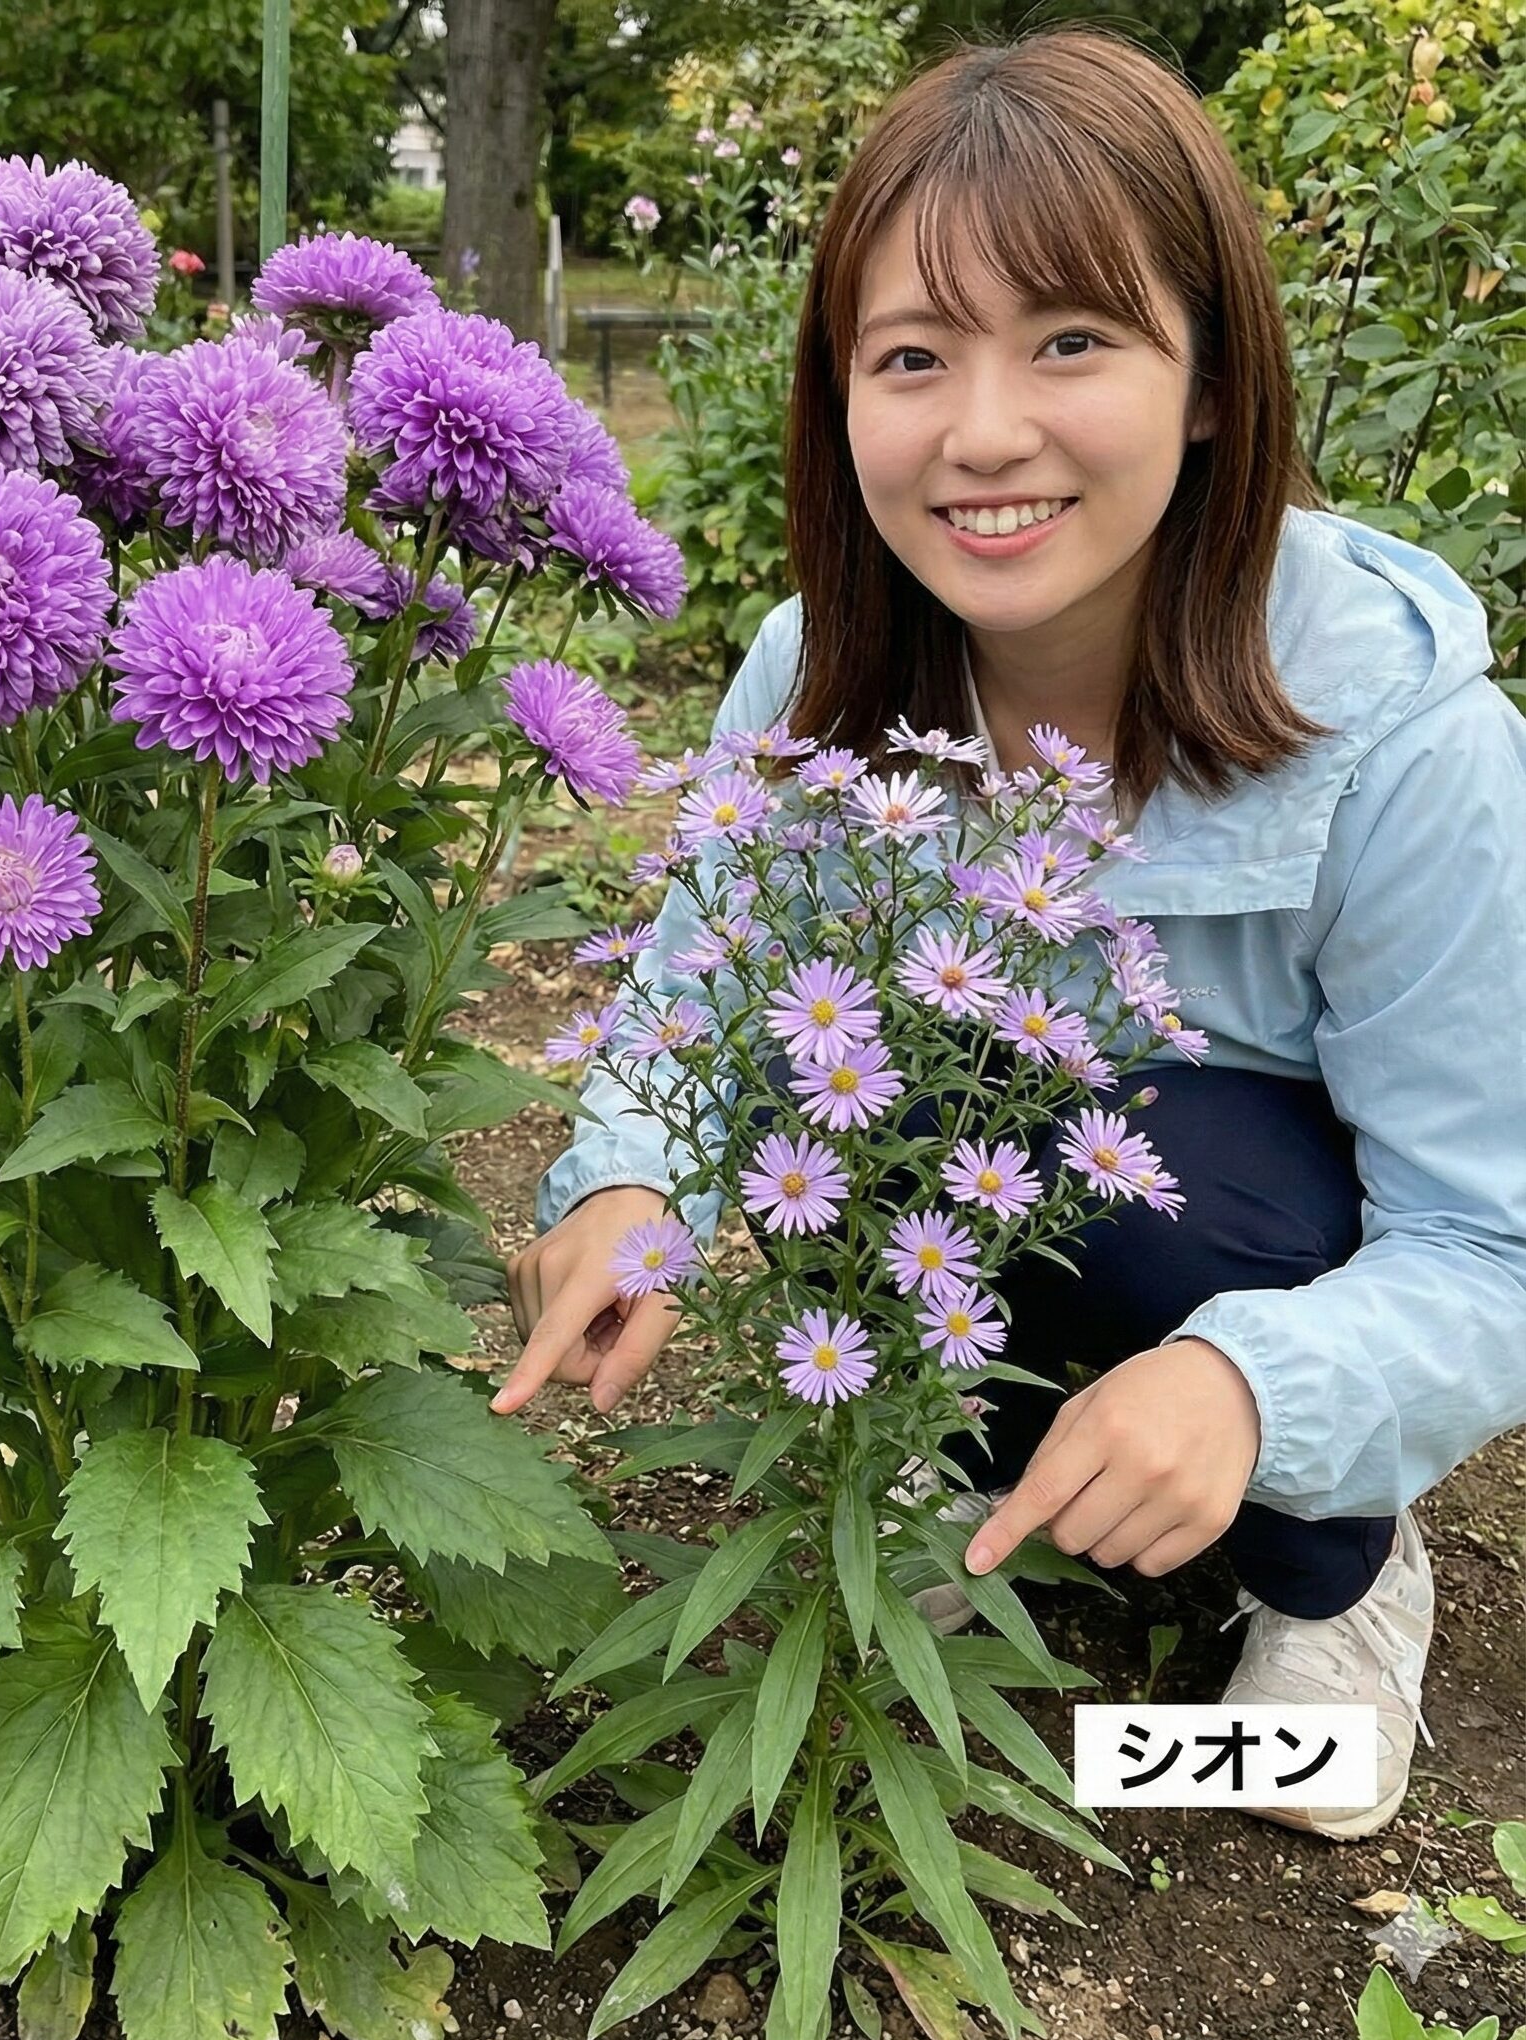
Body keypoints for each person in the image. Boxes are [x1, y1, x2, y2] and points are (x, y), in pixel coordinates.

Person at [495, 28, 1526, 1842]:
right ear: (841, 395)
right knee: (842, 1067)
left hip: (1253, 1238)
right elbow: (702, 990)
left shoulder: (1403, 734)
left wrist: (1250, 1385)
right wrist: (627, 1180)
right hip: (965, 1226)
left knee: (1146, 1155)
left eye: (1071, 342)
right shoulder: (817, 673)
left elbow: (1494, 1242)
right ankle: (949, 1461)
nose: (982, 434)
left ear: (1209, 378)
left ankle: (1336, 1569)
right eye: (913, 357)